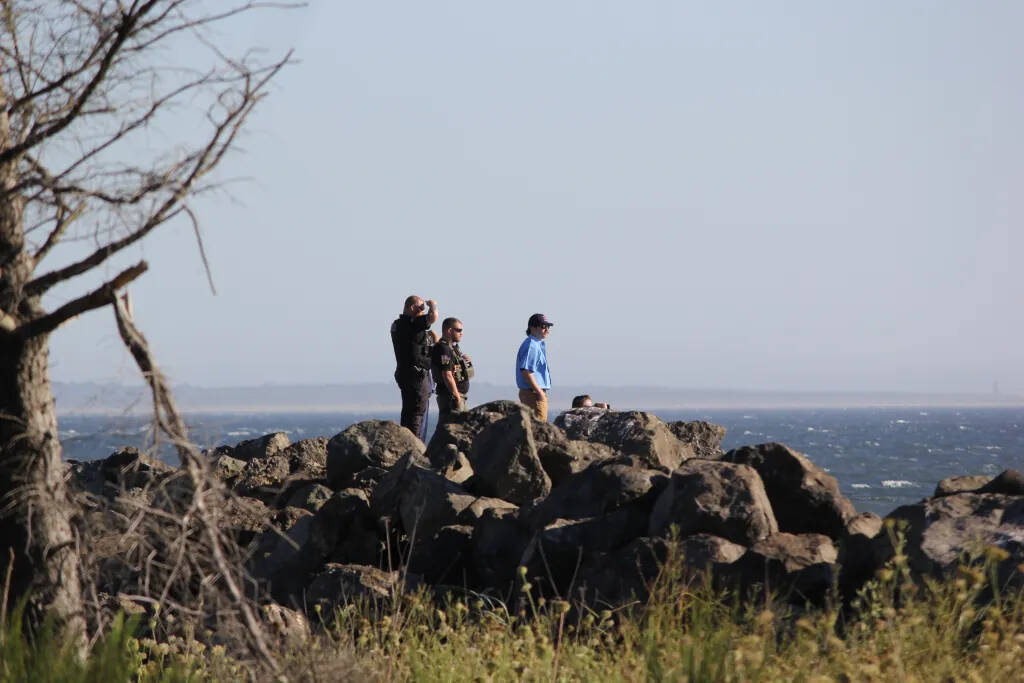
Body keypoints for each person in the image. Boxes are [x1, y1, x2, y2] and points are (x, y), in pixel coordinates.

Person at [390, 295, 438, 439]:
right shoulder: (411, 324)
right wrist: (433, 306)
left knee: (408, 412)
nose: (424, 311)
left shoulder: (398, 325)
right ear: (412, 308)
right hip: (416, 375)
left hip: (406, 373)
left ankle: (406, 442)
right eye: (421, 307)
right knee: (417, 413)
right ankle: (415, 445)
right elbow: (433, 317)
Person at [431, 317, 473, 417]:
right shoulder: (444, 349)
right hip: (451, 398)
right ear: (449, 330)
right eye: (458, 330)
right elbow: (447, 374)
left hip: (456, 397)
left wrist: (465, 361)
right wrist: (457, 397)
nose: (461, 333)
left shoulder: (452, 348)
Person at [515, 313, 553, 422]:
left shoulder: (536, 344)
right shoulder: (532, 345)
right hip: (533, 394)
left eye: (548, 327)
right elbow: (526, 371)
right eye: (543, 326)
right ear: (532, 328)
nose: (547, 330)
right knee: (538, 427)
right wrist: (539, 392)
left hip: (533, 393)